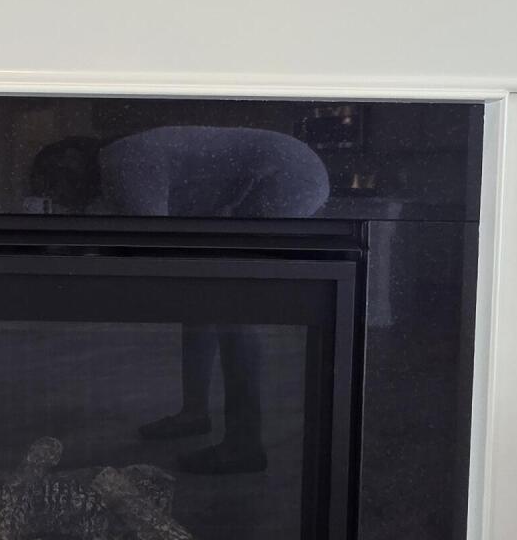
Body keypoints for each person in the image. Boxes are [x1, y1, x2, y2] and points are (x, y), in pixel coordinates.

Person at [29, 126, 330, 474]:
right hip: (282, 171)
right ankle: (195, 414)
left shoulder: (121, 162)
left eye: (54, 183)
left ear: (71, 161)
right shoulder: (120, 164)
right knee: (203, 302)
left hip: (286, 174)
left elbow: (154, 243)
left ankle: (243, 444)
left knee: (236, 309)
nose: (58, 196)